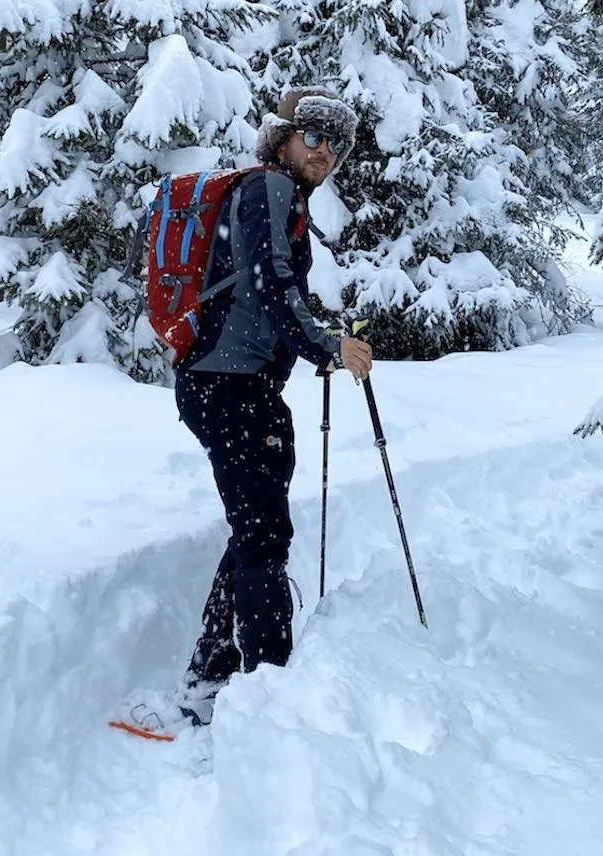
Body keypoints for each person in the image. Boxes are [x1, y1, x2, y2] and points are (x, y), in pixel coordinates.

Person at [173, 86, 374, 725]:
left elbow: (265, 293)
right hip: (227, 386)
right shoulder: (268, 189)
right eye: (313, 136)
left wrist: (311, 348)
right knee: (264, 533)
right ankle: (268, 692)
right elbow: (273, 283)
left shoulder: (277, 199)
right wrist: (327, 348)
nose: (325, 151)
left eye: (335, 144)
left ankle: (212, 670)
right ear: (282, 139)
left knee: (257, 526)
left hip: (240, 386)